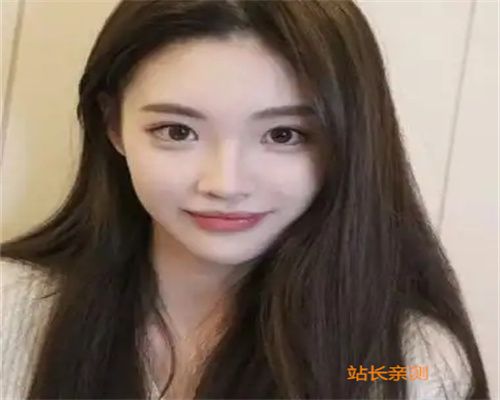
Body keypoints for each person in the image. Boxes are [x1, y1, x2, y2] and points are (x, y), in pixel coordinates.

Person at [0, 1, 490, 399]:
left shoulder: (406, 366)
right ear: (113, 126)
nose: (226, 183)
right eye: (177, 131)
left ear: (348, 139)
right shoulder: (11, 308)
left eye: (283, 135)